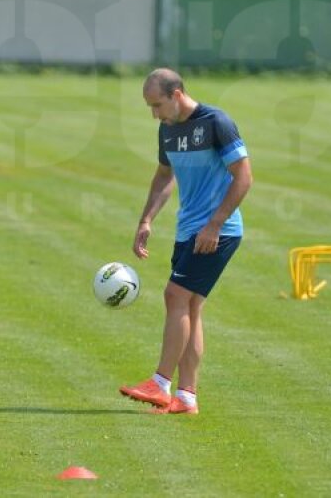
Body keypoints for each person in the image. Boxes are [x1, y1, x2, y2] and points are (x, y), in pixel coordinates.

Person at [119, 68, 252, 415]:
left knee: (174, 295)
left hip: (215, 233)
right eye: (149, 107)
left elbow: (244, 177)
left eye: (157, 105)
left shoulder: (216, 123)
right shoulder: (167, 130)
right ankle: (187, 398)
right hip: (188, 230)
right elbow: (165, 176)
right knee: (190, 308)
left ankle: (160, 383)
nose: (154, 114)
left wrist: (214, 225)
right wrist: (146, 219)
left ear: (177, 94)